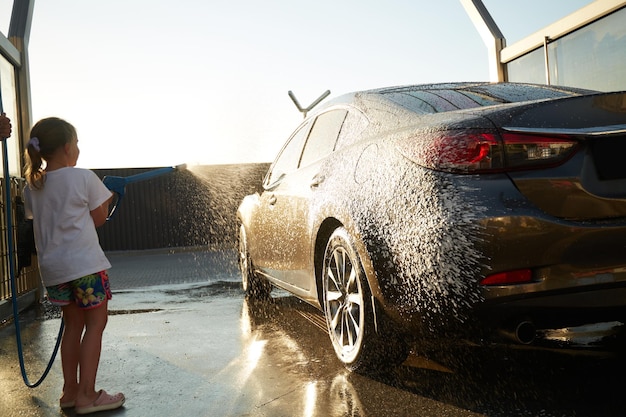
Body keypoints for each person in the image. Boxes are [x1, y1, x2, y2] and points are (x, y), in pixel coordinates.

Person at [23, 117, 125, 415]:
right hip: (86, 268)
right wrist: (108, 198)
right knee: (95, 325)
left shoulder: (33, 185)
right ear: (68, 147)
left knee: (72, 326)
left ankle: (69, 392)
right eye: (77, 143)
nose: (78, 149)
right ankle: (88, 395)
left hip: (55, 272)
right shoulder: (83, 177)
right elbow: (98, 219)